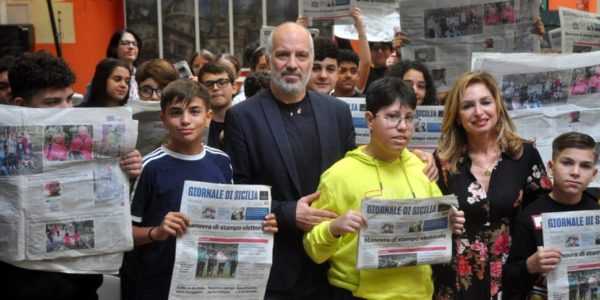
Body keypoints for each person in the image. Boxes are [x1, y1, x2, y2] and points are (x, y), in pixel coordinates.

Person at [223, 22, 354, 299]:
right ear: (269, 61)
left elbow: (354, 173)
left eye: (301, 55)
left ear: (311, 61)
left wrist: (411, 155)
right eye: (283, 55)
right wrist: (287, 212)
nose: (292, 64)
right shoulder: (243, 118)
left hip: (333, 266)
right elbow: (236, 193)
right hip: (275, 269)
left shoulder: (338, 113)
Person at [303, 77, 465, 299]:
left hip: (419, 292)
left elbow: (438, 230)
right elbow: (314, 250)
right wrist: (334, 228)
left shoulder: (422, 168)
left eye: (409, 118)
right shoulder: (338, 176)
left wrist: (450, 223)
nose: (402, 126)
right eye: (391, 117)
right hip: (357, 294)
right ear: (369, 120)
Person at [120, 79, 277, 299]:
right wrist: (157, 232)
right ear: (163, 119)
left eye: (194, 111)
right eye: (176, 113)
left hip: (210, 284)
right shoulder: (150, 166)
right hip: (158, 284)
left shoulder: (221, 161)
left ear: (208, 117)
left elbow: (231, 220)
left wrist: (259, 224)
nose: (185, 120)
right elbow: (124, 233)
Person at [3, 50, 142, 299]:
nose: (67, 111)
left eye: (69, 99)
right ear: (20, 107)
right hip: (20, 286)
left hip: (81, 287)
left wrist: (125, 172)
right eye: (52, 103)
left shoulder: (85, 140)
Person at [432, 72, 552, 299]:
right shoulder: (443, 162)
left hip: (512, 280)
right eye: (467, 106)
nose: (478, 112)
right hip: (457, 283)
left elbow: (543, 214)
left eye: (485, 102)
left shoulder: (524, 155)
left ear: (497, 106)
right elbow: (427, 217)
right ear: (457, 116)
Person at [502, 132, 599, 299]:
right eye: (567, 163)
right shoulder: (530, 216)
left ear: (594, 174)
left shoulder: (596, 209)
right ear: (551, 167)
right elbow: (509, 281)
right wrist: (529, 266)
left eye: (585, 166)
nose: (575, 172)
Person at [198, 62, 235, 150]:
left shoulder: (245, 122)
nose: (215, 88)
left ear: (234, 88)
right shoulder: (195, 126)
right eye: (208, 84)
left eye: (222, 83)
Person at [104, 28, 143, 101]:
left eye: (135, 44)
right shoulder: (104, 74)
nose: (131, 47)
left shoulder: (142, 76)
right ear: (114, 48)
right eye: (125, 43)